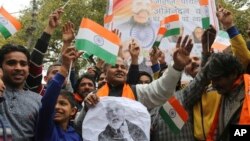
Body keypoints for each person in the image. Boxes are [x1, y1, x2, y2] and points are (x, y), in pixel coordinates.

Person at [35, 46, 82, 141]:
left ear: (73, 111)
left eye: (62, 103)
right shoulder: (45, 127)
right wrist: (64, 66)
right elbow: (48, 101)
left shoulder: (76, 136)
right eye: (54, 103)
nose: (56, 107)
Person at [0, 44, 41, 140]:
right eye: (11, 63)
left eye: (23, 64)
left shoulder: (39, 100)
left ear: (28, 68)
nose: (18, 68)